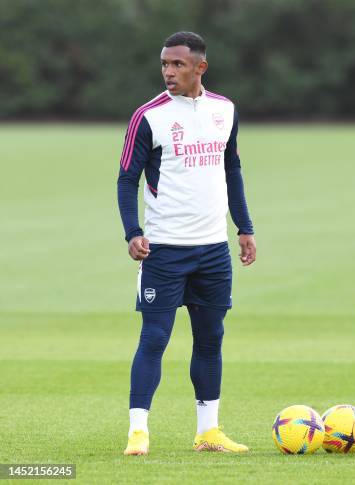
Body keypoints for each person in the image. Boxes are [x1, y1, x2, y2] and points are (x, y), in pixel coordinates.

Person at [117, 31, 256, 455]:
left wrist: (244, 227)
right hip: (164, 249)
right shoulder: (149, 116)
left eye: (177, 64)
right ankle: (138, 432)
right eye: (164, 64)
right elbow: (127, 178)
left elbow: (232, 169)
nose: (168, 72)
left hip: (213, 250)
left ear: (201, 67)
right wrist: (132, 231)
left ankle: (208, 432)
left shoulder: (225, 110)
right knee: (155, 338)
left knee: (211, 338)